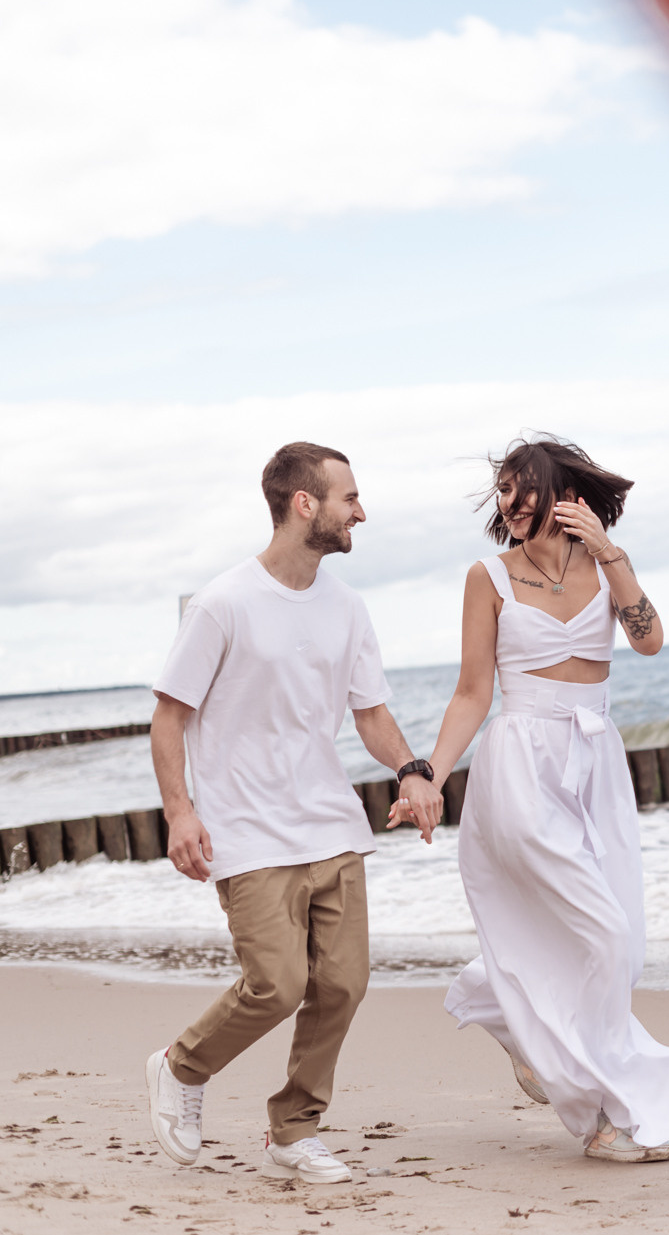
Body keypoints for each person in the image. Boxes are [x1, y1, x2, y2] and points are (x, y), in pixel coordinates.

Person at [144, 442, 445, 1184]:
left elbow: (370, 713)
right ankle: (182, 1066)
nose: (361, 512)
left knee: (342, 985)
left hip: (331, 823)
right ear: (305, 503)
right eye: (350, 497)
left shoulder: (348, 607)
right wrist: (181, 814)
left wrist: (410, 771)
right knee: (276, 985)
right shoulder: (222, 603)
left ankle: (293, 1132)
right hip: (248, 831)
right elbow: (169, 717)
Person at [423, 435, 669, 1163]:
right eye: (502, 491)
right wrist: (428, 774)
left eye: (522, 487)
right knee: (602, 935)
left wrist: (610, 553)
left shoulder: (605, 565)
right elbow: (471, 693)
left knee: (622, 944)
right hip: (520, 766)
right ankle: (600, 1119)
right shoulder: (489, 578)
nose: (510, 503)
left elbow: (649, 640)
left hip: (595, 766)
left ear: (564, 493)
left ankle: (510, 1010)